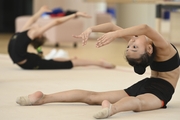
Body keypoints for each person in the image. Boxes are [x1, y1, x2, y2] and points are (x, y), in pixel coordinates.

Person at [16, 22, 180, 119]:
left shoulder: (157, 48)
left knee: (103, 98)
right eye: (130, 46)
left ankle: (44, 98)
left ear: (149, 50)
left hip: (153, 89)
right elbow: (123, 27)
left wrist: (111, 33)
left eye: (132, 46)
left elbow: (137, 27)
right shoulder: (156, 47)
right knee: (132, 102)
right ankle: (44, 98)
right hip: (155, 89)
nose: (131, 42)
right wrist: (91, 30)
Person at [8, 6, 115, 70]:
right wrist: (75, 14)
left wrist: (41, 11)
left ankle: (100, 63)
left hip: (28, 62)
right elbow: (40, 20)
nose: (38, 25)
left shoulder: (28, 32)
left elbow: (42, 20)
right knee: (67, 63)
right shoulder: (28, 32)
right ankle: (99, 62)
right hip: (29, 63)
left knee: (57, 61)